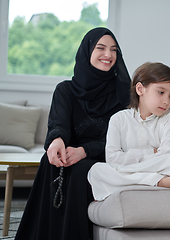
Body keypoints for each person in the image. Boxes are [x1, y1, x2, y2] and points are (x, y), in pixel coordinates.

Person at [15, 27, 131, 240]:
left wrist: (84, 151)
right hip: (68, 154)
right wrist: (56, 141)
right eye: (101, 48)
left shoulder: (125, 93)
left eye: (114, 50)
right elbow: (58, 124)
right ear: (87, 52)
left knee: (81, 170)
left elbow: (124, 140)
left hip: (106, 156)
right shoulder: (65, 90)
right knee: (50, 160)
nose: (108, 55)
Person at [88, 62, 170, 201]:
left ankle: (133, 181)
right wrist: (151, 152)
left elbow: (168, 154)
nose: (166, 101)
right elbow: (112, 159)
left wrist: (130, 162)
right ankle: (159, 181)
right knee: (96, 170)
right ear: (140, 89)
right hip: (153, 170)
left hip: (131, 170)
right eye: (161, 92)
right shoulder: (118, 119)